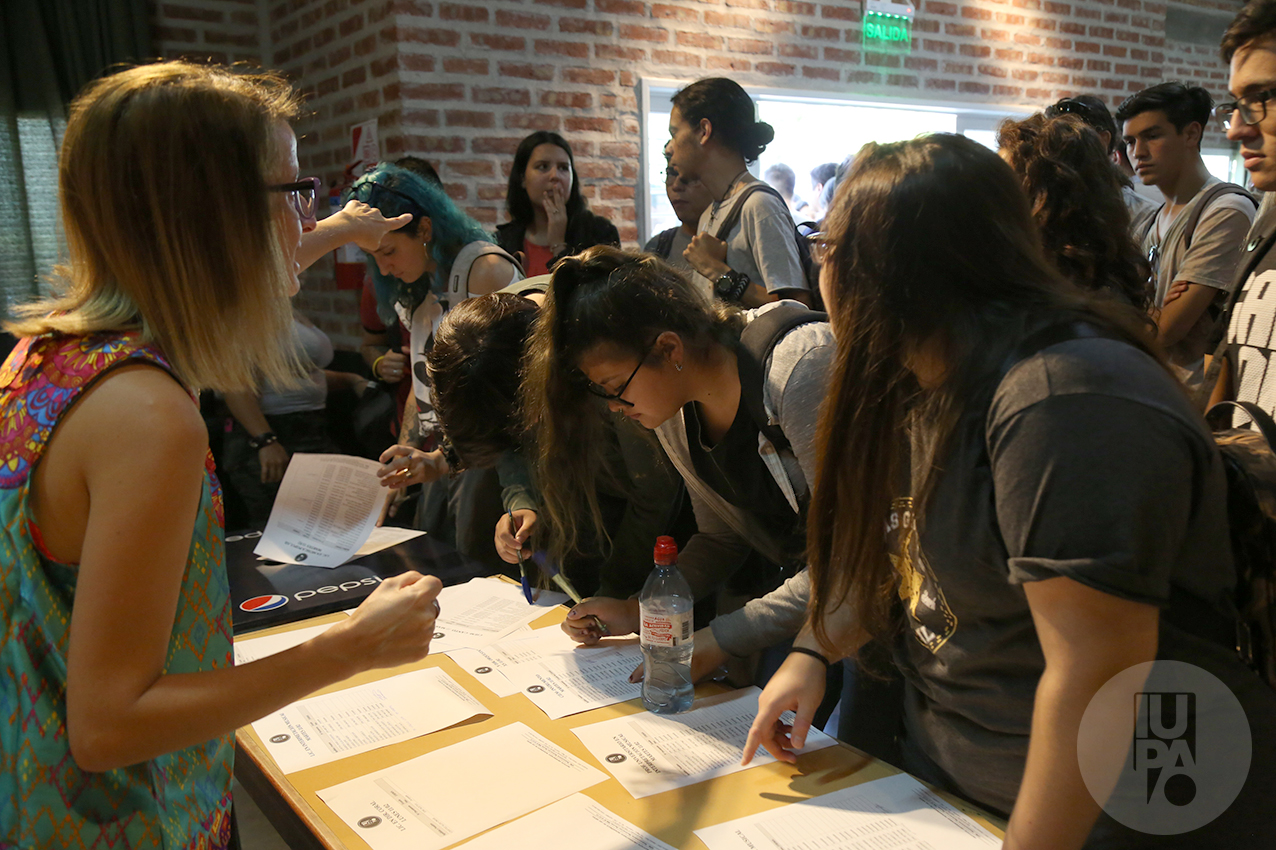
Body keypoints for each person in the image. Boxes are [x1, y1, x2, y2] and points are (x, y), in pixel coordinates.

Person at [742, 133, 1276, 849]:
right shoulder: (912, 381)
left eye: (825, 243)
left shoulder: (1060, 394)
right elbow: (894, 562)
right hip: (955, 797)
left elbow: (1097, 676)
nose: (817, 263)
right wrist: (812, 653)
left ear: (891, 265)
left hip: (1123, 817)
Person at [0, 61, 441, 848]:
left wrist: (345, 229)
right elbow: (109, 724)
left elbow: (267, 262)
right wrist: (351, 646)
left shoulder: (47, 356)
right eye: (293, 193)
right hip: (128, 822)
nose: (304, 221)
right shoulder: (149, 418)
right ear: (213, 214)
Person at [523, 246, 834, 685]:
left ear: (669, 348)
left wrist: (722, 639)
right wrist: (641, 609)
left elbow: (851, 564)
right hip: (823, 604)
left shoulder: (799, 369)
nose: (614, 408)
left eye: (615, 388)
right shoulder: (675, 410)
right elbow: (721, 537)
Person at [427, 285, 682, 597]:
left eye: (531, 417)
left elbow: (655, 494)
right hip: (584, 513)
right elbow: (509, 442)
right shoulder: (486, 345)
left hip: (660, 530)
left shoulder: (607, 357)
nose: (534, 428)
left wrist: (613, 591)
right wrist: (521, 501)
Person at [351, 162, 522, 569]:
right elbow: (423, 377)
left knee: (475, 569)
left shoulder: (484, 271)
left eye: (389, 251)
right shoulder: (419, 284)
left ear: (425, 230)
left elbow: (518, 386)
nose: (384, 267)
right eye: (374, 257)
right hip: (445, 452)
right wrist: (408, 450)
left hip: (489, 460)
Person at [1117, 82, 1257, 388]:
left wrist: (1129, 298)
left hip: (1197, 397)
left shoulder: (1225, 210)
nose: (1137, 152)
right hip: (1154, 385)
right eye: (1129, 141)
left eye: (1152, 136)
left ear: (1191, 134)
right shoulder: (1152, 220)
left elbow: (1167, 330)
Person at [666, 78, 811, 307]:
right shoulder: (711, 211)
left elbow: (797, 306)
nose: (669, 147)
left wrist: (718, 271)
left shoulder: (760, 205)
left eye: (675, 133)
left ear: (704, 131)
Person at [220, 309, 371, 527]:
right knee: (279, 529)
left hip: (310, 429)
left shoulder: (287, 305)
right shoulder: (245, 308)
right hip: (272, 432)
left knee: (327, 525)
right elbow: (234, 385)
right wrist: (265, 440)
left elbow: (297, 375)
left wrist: (350, 380)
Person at [998, 112, 1152, 309]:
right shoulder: (1022, 275)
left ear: (1047, 199)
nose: (995, 197)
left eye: (1006, 184)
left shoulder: (1088, 301)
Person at [1212, 0, 1276, 413]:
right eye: (1236, 103)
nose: (1237, 128)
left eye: (1259, 97)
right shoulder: (1268, 213)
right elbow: (1230, 363)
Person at [495, 131, 620, 277]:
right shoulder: (504, 242)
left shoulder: (600, 233)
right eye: (543, 167)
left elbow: (595, 295)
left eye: (563, 168)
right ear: (523, 178)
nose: (555, 176)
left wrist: (558, 246)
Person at [1045, 94, 1161, 227]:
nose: (1059, 152)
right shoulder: (1044, 207)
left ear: (1103, 140)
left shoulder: (1143, 216)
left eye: (1071, 140)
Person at [644, 143, 714, 276]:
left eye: (689, 176)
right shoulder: (658, 248)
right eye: (671, 174)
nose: (676, 186)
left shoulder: (739, 243)